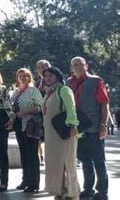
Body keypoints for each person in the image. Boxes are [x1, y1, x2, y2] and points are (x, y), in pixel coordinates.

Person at [68, 57, 110, 200]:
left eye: (80, 64)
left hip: (94, 126)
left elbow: (104, 104)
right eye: (75, 65)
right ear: (71, 68)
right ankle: (88, 189)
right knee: (84, 160)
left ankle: (102, 191)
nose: (78, 67)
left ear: (86, 66)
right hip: (78, 128)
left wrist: (103, 125)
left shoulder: (96, 81)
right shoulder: (69, 82)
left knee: (99, 160)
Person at [42, 66, 81, 199]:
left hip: (64, 132)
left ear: (58, 77)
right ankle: (60, 190)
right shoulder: (48, 92)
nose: (47, 78)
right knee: (55, 163)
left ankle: (72, 192)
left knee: (67, 162)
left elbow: (71, 108)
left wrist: (73, 126)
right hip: (51, 134)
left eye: (51, 75)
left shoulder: (64, 89)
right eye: (45, 76)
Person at [11, 68, 43, 193]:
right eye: (20, 76)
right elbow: (11, 107)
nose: (23, 78)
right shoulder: (15, 92)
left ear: (29, 77)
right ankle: (25, 180)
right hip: (19, 126)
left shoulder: (33, 91)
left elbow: (40, 107)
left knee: (32, 155)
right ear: (17, 78)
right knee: (23, 154)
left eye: (25, 76)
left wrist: (26, 111)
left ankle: (33, 183)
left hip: (31, 126)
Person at [36, 59, 51, 166]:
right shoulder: (37, 83)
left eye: (44, 66)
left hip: (51, 115)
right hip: (40, 116)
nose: (42, 69)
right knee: (39, 139)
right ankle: (40, 158)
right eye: (39, 67)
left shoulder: (54, 81)